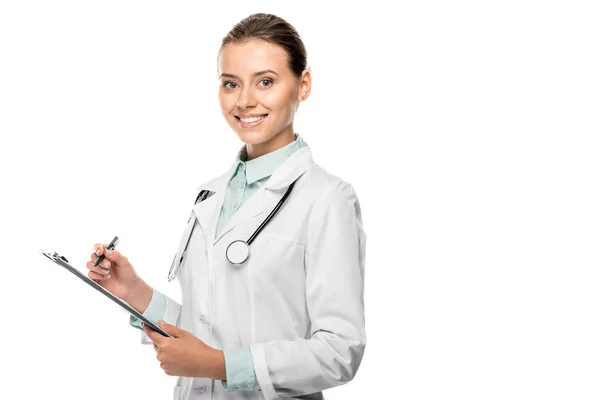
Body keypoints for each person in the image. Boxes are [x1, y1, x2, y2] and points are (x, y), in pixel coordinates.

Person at [87, 13, 366, 400]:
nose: (245, 100)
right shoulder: (210, 194)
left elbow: (340, 352)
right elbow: (209, 329)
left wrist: (219, 366)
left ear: (303, 85)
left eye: (265, 82)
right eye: (230, 84)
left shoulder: (327, 198)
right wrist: (133, 291)